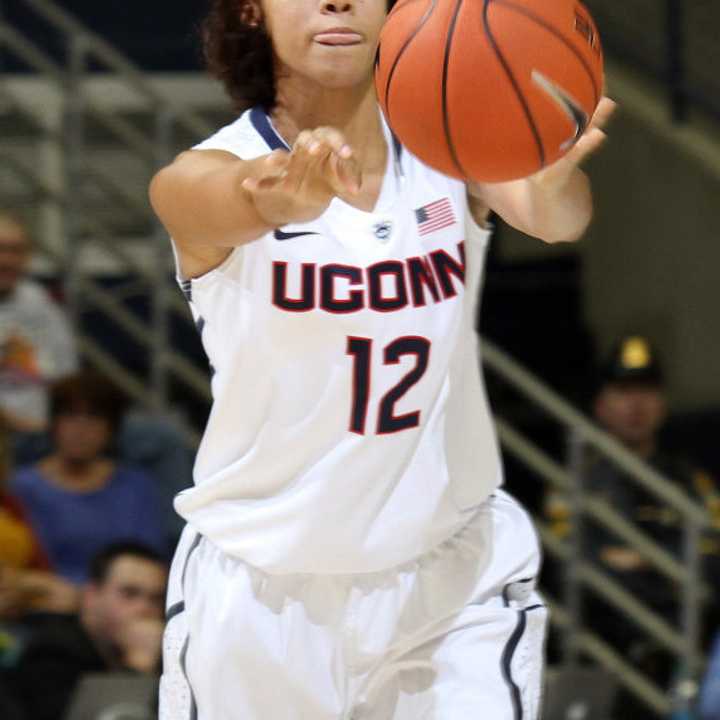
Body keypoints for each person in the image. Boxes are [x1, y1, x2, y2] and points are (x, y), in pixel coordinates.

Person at [149, 1, 615, 717]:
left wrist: (550, 179)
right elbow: (205, 200)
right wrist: (273, 200)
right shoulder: (209, 167)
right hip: (266, 589)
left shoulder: (450, 148)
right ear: (252, 10)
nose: (339, 1)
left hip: (449, 578)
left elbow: (557, 217)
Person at [10, 371, 166, 584]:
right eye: (70, 415)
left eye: (94, 417)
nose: (81, 429)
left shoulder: (137, 487)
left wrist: (83, 599)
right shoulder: (20, 487)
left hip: (120, 606)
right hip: (40, 604)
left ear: (112, 429)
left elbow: (150, 562)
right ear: (53, 423)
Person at [5, 542, 167, 720]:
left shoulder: (163, 653)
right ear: (91, 595)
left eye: (156, 599)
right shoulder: (52, 652)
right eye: (129, 594)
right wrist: (137, 667)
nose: (144, 609)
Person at [0, 210, 77, 439]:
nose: (6, 260)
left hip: (52, 431)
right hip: (10, 432)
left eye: (15, 251)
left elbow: (67, 378)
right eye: (0, 249)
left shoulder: (40, 302)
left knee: (161, 437)